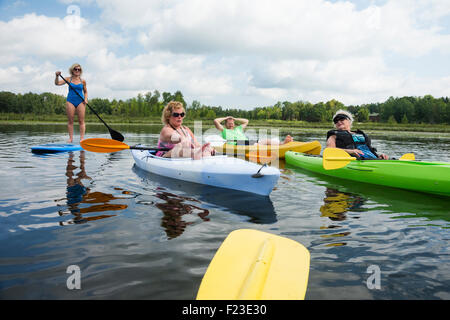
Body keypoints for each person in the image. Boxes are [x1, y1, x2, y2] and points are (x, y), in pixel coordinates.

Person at [55, 63, 88, 143]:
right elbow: (57, 83)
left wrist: (86, 99)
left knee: (81, 121)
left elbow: (85, 91)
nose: (77, 71)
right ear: (72, 70)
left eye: (79, 69)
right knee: (70, 121)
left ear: (80, 71)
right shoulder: (68, 79)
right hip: (70, 101)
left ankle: (82, 139)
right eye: (75, 69)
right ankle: (70, 139)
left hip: (80, 101)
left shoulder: (82, 81)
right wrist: (57, 76)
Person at [213, 116, 293, 145]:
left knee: (264, 141)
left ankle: (281, 143)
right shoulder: (224, 130)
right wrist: (226, 118)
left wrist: (235, 118)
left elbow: (246, 121)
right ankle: (282, 143)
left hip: (246, 142)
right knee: (264, 141)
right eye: (229, 123)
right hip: (236, 144)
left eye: (232, 123)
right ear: (226, 124)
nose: (231, 124)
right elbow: (216, 121)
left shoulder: (238, 128)